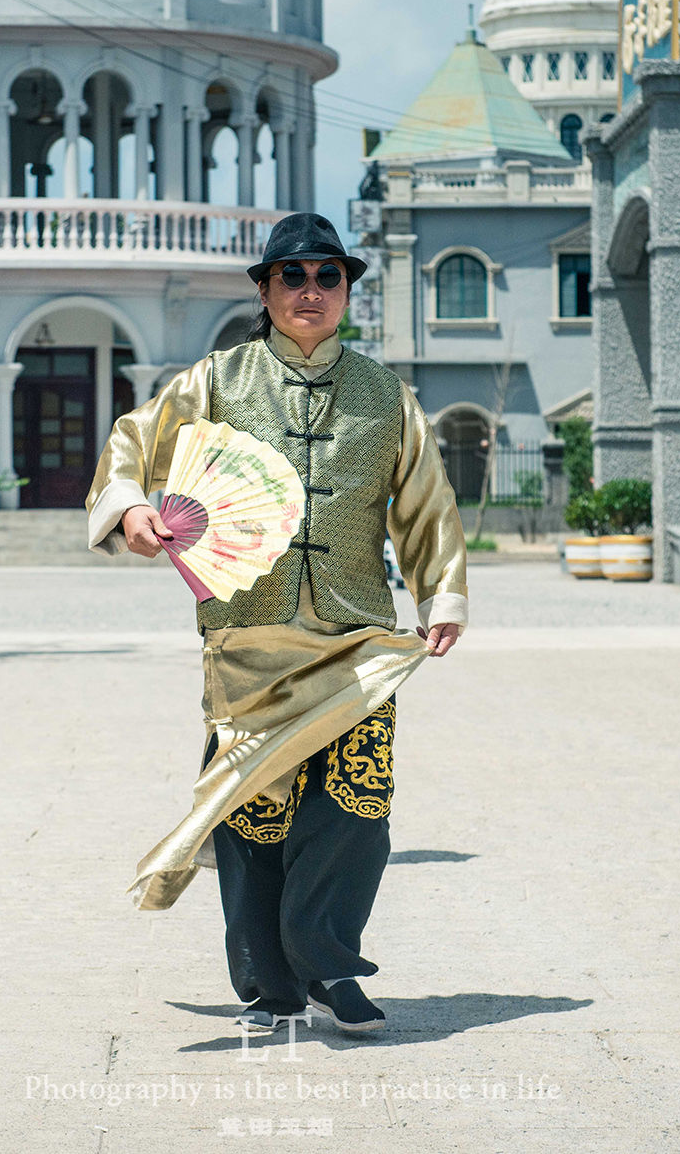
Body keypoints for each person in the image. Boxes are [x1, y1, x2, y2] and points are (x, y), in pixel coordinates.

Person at [86, 212, 467, 1034]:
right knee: (254, 811)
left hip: (355, 635)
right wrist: (131, 509)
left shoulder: (386, 394)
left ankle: (326, 956)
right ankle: (270, 984)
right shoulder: (215, 381)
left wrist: (441, 596)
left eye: (328, 275)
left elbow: (427, 501)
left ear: (347, 291)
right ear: (263, 290)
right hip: (248, 634)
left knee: (359, 803)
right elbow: (128, 443)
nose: (310, 290)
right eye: (291, 276)